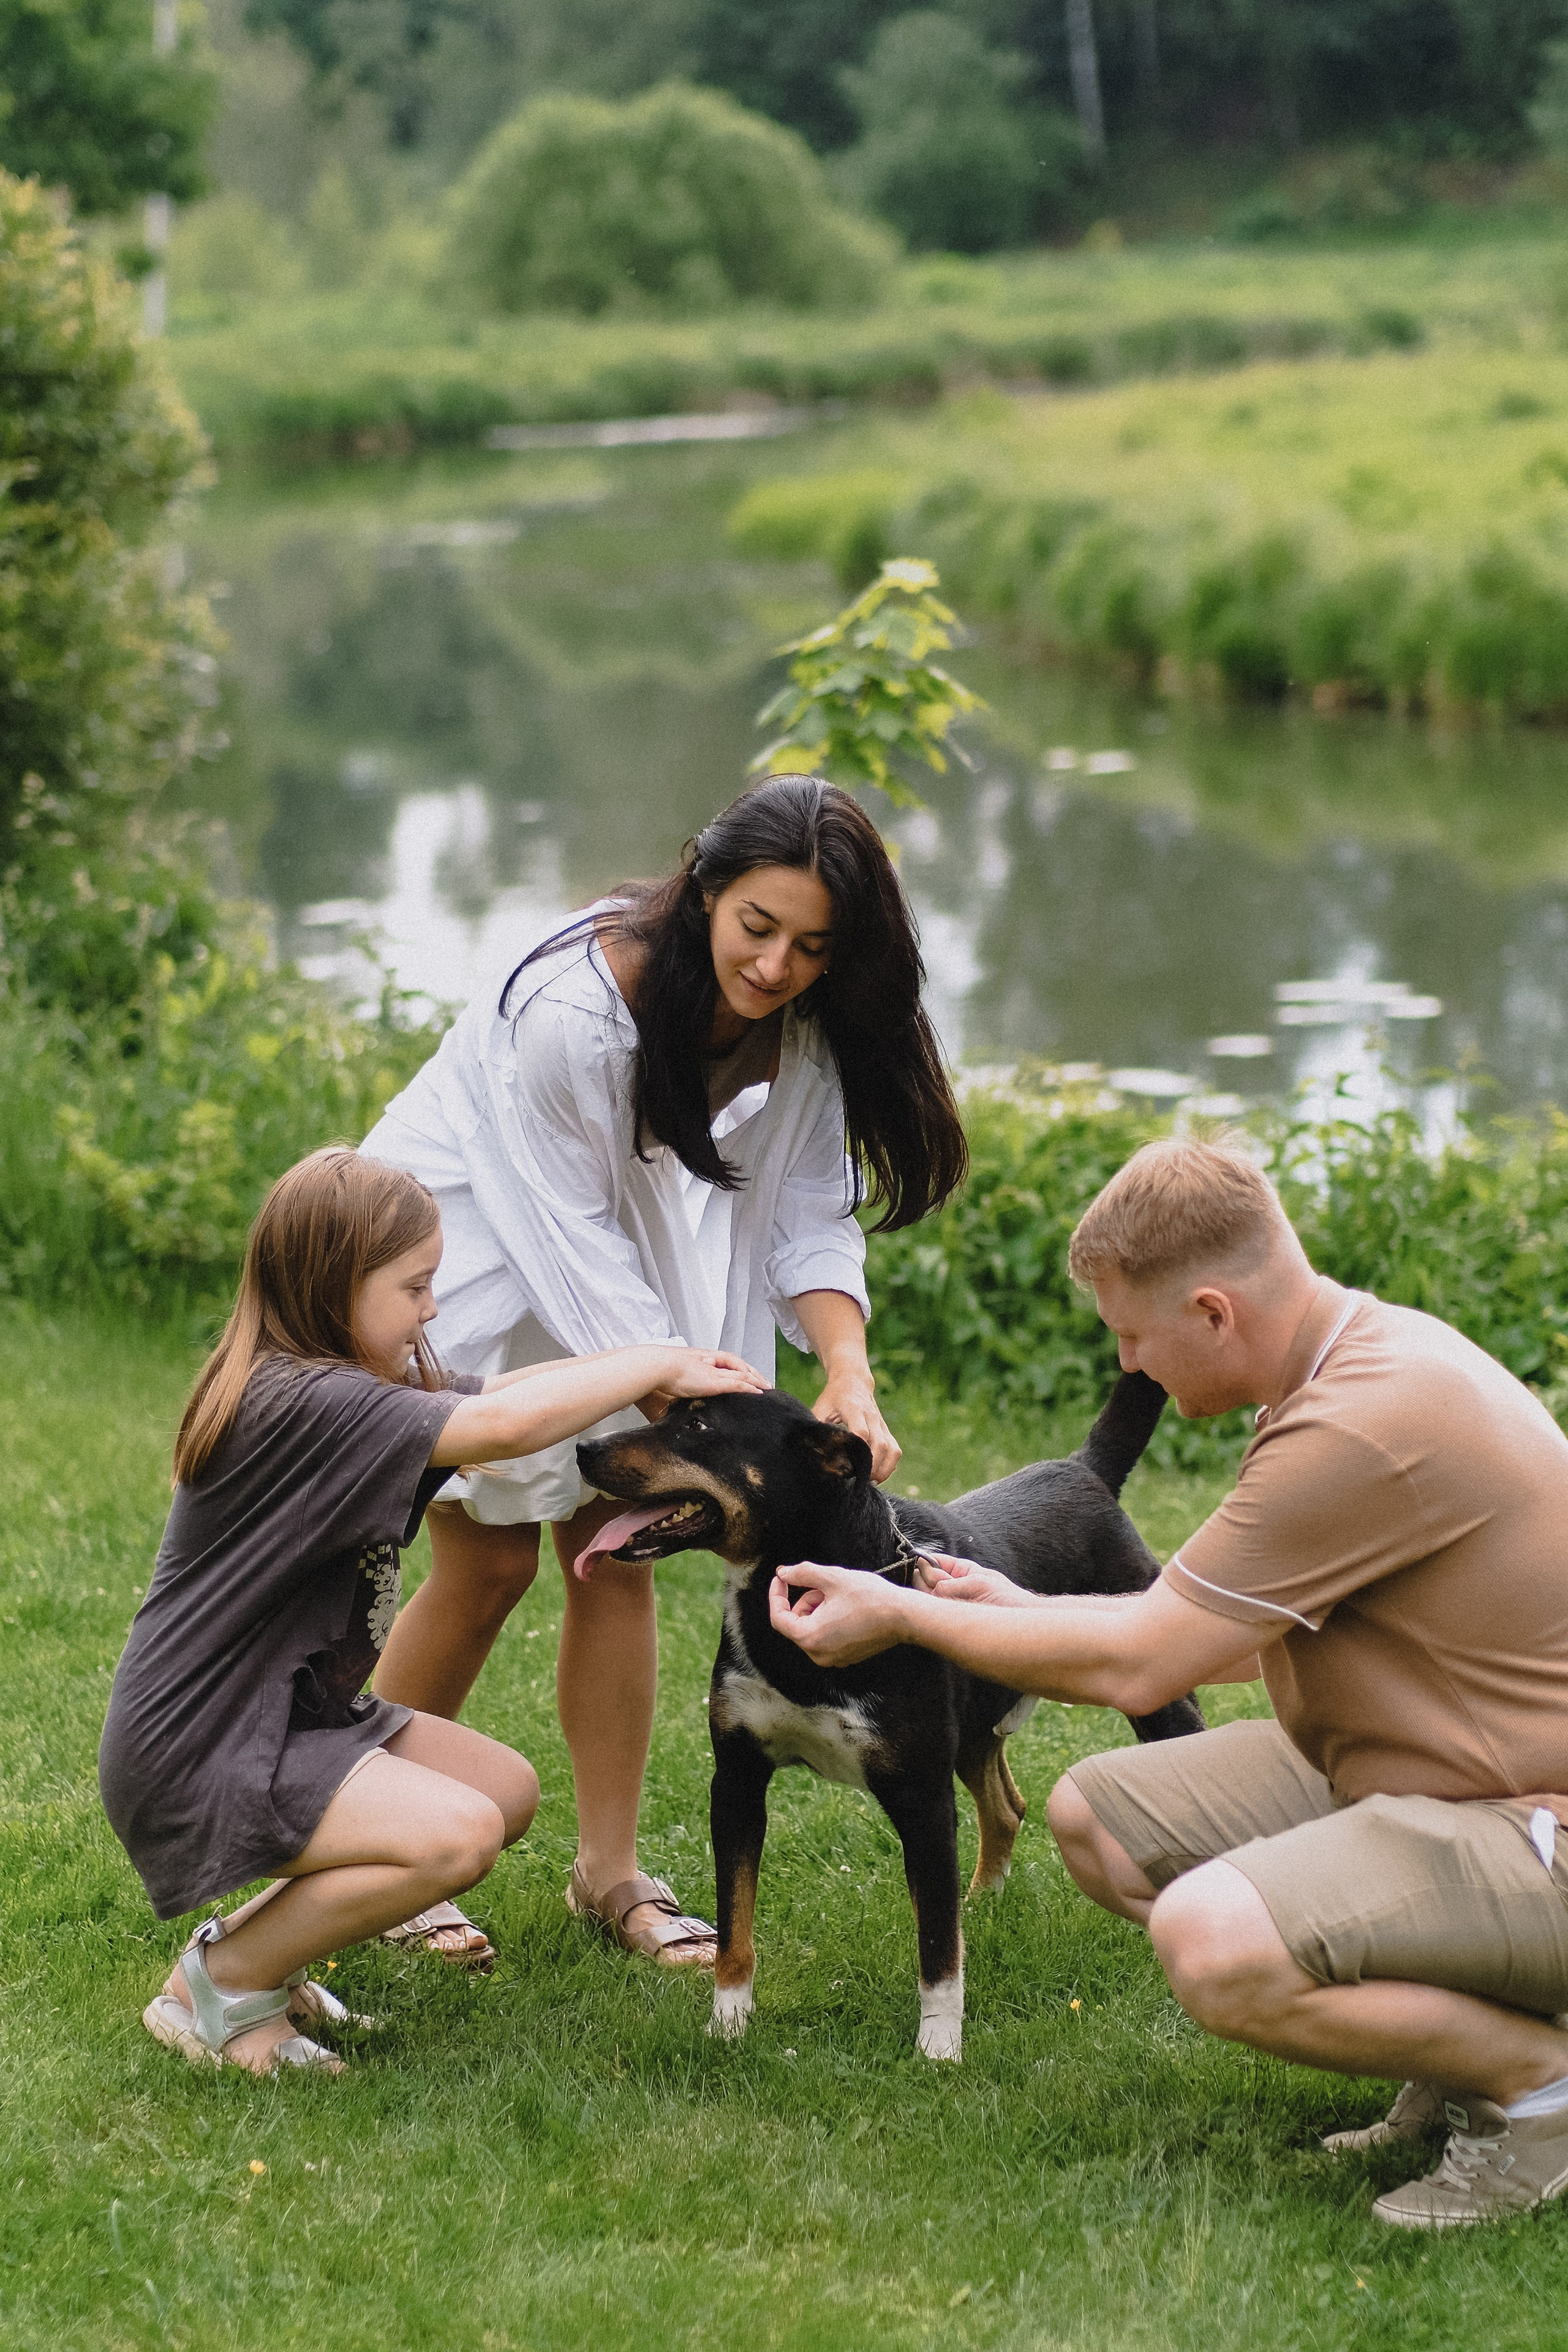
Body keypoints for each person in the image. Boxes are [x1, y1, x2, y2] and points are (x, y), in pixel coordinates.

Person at [766, 1137, 1568, 2230]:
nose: (1133, 1369)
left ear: (1212, 1312)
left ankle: (1534, 2084)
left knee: (1213, 1944)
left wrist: (907, 1614)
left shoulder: (1363, 1422)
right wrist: (1025, 1609)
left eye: (1134, 1339)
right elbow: (1221, 1632)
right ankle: (1459, 2048)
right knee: (1099, 1819)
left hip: (1533, 1828)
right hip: (1425, 1779)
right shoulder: (1347, 1363)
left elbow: (1148, 1662)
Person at [360, 772, 967, 1967]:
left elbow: (806, 1211)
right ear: (702, 888)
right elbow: (563, 1238)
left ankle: (611, 1875)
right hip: (477, 1235)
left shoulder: (799, 1021)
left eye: (812, 946)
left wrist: (845, 1372)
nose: (777, 965)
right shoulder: (573, 1010)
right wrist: (699, 1405)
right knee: (482, 1562)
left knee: (615, 1552)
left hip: (620, 1253)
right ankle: (382, 1852)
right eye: (757, 928)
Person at [99, 1147, 764, 2076]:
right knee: (457, 1836)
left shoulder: (333, 1387)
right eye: (414, 1287)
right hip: (203, 1746)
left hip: (282, 1722)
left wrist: (635, 1370)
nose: (434, 1309)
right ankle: (216, 1993)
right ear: (336, 1285)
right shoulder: (308, 1402)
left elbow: (503, 1395)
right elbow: (500, 1431)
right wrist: (658, 1356)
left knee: (503, 1792)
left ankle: (259, 1954)